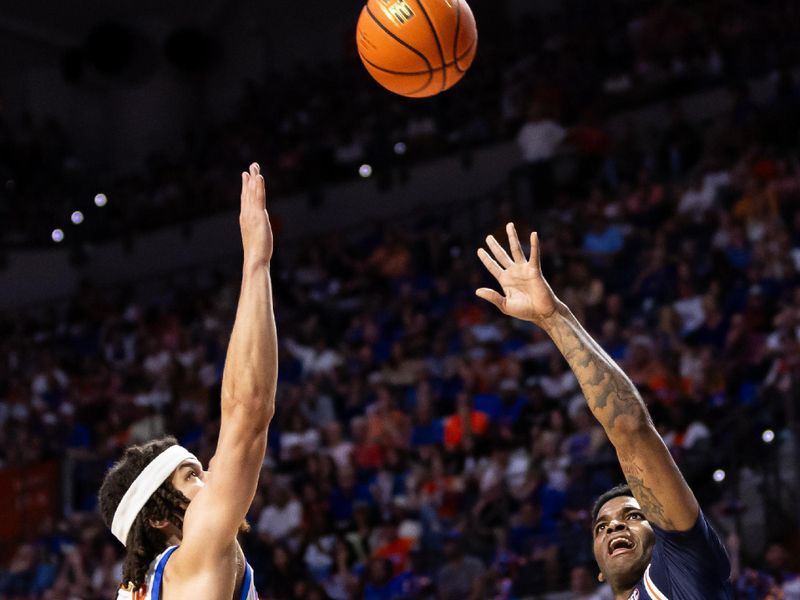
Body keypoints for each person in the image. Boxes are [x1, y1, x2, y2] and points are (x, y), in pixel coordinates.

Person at [476, 223, 732, 599]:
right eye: (602, 527)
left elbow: (629, 427)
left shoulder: (678, 566)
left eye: (633, 516)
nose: (614, 528)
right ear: (597, 570)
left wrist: (553, 319)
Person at [97, 162, 278, 600]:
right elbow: (248, 411)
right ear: (161, 516)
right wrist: (256, 260)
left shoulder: (138, 589)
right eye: (192, 476)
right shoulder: (194, 555)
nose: (213, 473)